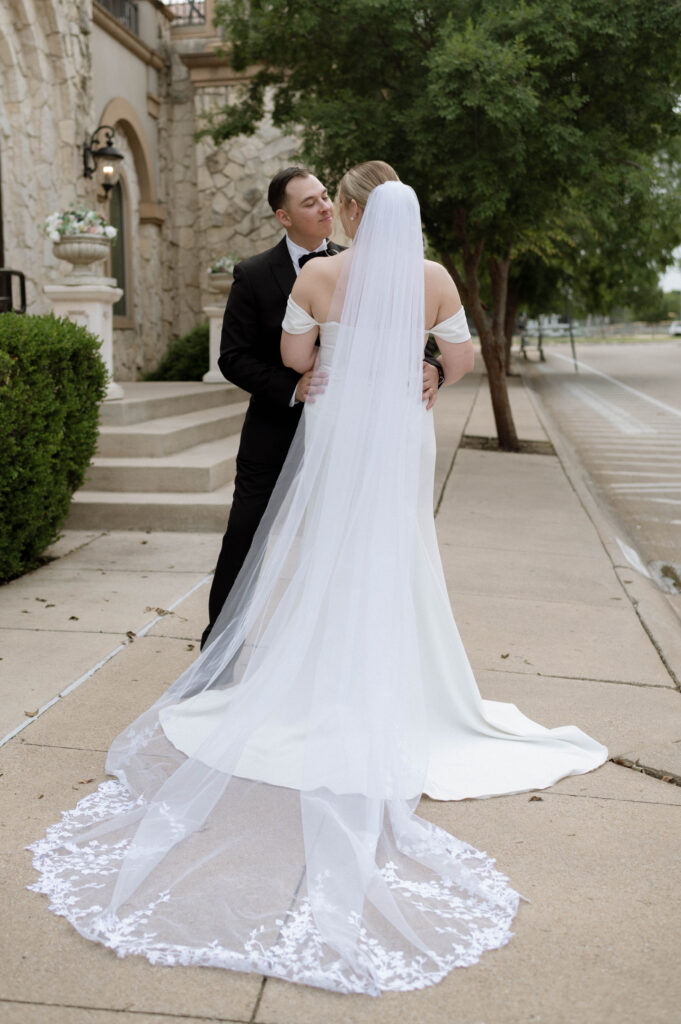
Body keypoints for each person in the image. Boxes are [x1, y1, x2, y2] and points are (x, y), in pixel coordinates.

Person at [29, 163, 607, 996]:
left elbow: (296, 355)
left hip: (337, 428)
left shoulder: (328, 275)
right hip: (401, 433)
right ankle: (403, 687)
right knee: (398, 550)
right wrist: (433, 374)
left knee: (330, 554)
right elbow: (460, 358)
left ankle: (316, 678)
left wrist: (322, 363)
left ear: (346, 210)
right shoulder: (436, 278)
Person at [202, 165, 443, 648]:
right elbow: (232, 358)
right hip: (277, 426)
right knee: (247, 533)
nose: (325, 207)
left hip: (353, 430)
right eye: (309, 203)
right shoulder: (252, 275)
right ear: (283, 217)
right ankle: (220, 644)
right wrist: (294, 388)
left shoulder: (364, 262)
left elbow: (408, 330)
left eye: (325, 198)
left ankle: (341, 647)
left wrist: (432, 366)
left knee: (348, 537)